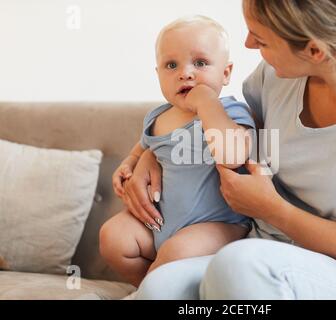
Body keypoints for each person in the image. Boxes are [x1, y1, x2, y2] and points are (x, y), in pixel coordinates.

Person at [133, 0, 336, 300]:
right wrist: (149, 155)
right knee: (160, 286)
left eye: (261, 39)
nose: (248, 45)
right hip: (255, 256)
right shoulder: (275, 77)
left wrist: (274, 210)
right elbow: (227, 133)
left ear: (314, 50)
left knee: (239, 266)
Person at [99, 15, 256, 287]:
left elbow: (234, 156)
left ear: (226, 73)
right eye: (171, 65)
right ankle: (153, 288)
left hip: (216, 227)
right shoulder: (156, 117)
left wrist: (207, 103)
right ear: (158, 74)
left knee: (175, 253)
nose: (186, 73)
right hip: (160, 225)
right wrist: (129, 163)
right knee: (112, 236)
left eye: (201, 63)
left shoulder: (229, 111)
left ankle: (151, 291)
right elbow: (143, 147)